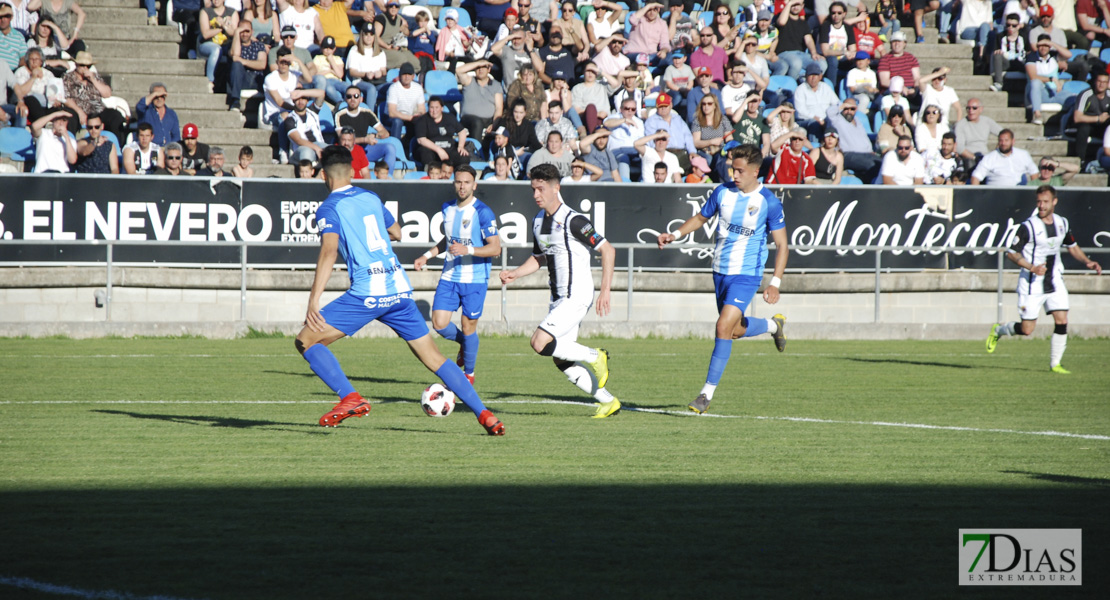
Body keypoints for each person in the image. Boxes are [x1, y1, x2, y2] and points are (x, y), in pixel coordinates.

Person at [296, 146, 505, 435]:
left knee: (306, 340)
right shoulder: (370, 197)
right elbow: (396, 232)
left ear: (323, 175)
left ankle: (350, 397)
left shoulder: (328, 208)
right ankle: (484, 414)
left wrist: (313, 300)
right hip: (399, 288)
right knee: (434, 358)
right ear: (354, 172)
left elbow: (329, 251)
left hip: (368, 292)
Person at [656, 144, 787, 415]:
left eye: (740, 171)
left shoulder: (769, 203)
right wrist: (675, 235)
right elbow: (700, 218)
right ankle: (773, 327)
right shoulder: (722, 192)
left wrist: (775, 282)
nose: (735, 174)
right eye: (732, 169)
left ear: (755, 171)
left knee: (722, 326)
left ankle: (705, 394)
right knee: (733, 331)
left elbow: (782, 245)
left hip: (747, 274)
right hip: (719, 271)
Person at [499, 163, 620, 419]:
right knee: (560, 357)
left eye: (540, 189)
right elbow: (539, 258)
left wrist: (605, 290)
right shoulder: (537, 221)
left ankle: (596, 356)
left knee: (539, 342)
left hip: (577, 294)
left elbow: (608, 250)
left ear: (556, 188)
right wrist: (515, 273)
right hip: (558, 299)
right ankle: (607, 401)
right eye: (533, 189)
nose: (535, 195)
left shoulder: (573, 220)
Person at [985, 186, 1102, 374]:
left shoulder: (1062, 223)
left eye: (1045, 202)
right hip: (1032, 284)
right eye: (1039, 202)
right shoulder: (1028, 226)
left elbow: (1072, 246)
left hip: (1055, 280)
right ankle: (999, 330)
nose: (1041, 205)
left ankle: (1055, 363)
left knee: (1062, 319)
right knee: (1027, 329)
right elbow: (1011, 253)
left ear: (1054, 202)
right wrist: (1032, 267)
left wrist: (1088, 262)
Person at [412, 164, 501, 384]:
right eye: (458, 182)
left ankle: (468, 374)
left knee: (468, 324)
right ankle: (465, 344)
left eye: (467, 182)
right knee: (439, 323)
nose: (462, 186)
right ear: (454, 183)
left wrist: (468, 250)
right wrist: (427, 255)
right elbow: (448, 240)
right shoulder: (447, 208)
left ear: (474, 185)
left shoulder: (483, 212)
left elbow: (495, 248)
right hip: (450, 275)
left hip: (475, 278)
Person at [335, 85, 396, 176]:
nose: (353, 99)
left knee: (390, 148)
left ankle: (388, 179)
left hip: (366, 149)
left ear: (361, 99)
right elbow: (341, 139)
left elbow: (385, 133)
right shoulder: (340, 115)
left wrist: (375, 136)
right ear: (345, 99)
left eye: (356, 96)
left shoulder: (367, 113)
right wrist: (364, 139)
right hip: (348, 149)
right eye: (349, 96)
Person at [825, 97, 882, 181]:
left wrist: (870, 150)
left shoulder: (857, 120)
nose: (849, 111)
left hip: (866, 154)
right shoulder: (838, 120)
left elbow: (864, 139)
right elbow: (829, 112)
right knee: (871, 165)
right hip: (847, 155)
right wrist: (842, 105)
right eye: (846, 109)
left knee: (883, 163)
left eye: (852, 109)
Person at [771, 0, 824, 81]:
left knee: (822, 63)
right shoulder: (781, 17)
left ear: (802, 6)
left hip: (800, 54)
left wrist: (814, 53)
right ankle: (790, 86)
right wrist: (789, 4)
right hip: (784, 53)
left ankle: (806, 82)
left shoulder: (803, 23)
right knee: (796, 63)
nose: (795, 7)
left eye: (798, 5)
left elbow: (809, 39)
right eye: (793, 5)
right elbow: (781, 22)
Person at [457, 59, 504, 147]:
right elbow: (458, 70)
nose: (480, 69)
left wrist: (494, 124)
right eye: (478, 67)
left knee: (504, 124)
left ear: (488, 70)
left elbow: (499, 108)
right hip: (469, 119)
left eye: (483, 67)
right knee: (477, 123)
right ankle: (476, 151)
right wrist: (478, 63)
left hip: (488, 120)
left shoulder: (496, 85)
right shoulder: (469, 81)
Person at [415, 96, 471, 168]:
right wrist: (439, 150)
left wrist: (461, 146)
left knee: (463, 157)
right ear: (428, 108)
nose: (434, 111)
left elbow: (462, 132)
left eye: (437, 107)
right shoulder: (422, 120)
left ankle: (458, 176)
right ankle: (430, 176)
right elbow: (421, 140)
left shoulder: (450, 117)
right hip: (431, 150)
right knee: (425, 154)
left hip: (449, 148)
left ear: (442, 108)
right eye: (432, 107)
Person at [227, 22, 271, 111]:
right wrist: (236, 33)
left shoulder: (259, 45)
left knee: (239, 63)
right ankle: (235, 101)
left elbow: (262, 64)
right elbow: (235, 55)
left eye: (247, 31)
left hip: (255, 79)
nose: (244, 34)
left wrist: (243, 61)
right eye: (241, 31)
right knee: (236, 65)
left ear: (252, 32)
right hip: (240, 80)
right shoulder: (233, 45)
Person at [970, 129, 1037, 185]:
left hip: (1019, 195)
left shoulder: (1023, 154)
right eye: (1001, 140)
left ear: (1013, 141)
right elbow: (976, 177)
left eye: (1006, 140)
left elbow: (1034, 172)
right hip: (996, 196)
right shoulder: (990, 157)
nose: (1003, 143)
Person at [604, 97, 646, 181]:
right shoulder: (614, 117)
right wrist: (624, 120)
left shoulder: (639, 122)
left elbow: (641, 140)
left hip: (635, 152)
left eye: (633, 109)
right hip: (617, 151)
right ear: (621, 109)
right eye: (627, 108)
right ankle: (625, 184)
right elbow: (606, 123)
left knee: (648, 160)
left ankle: (643, 184)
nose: (630, 111)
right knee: (624, 159)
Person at [794, 62, 839, 141]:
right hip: (807, 120)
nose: (813, 78)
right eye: (811, 75)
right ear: (806, 76)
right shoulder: (800, 89)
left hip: (826, 119)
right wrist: (817, 118)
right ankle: (815, 148)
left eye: (816, 75)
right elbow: (801, 111)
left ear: (820, 76)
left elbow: (836, 103)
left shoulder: (825, 87)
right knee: (814, 124)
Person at [1072, 71, 1109, 166]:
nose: (1101, 84)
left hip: (1103, 127)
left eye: (1104, 82)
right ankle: (1080, 161)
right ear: (1095, 82)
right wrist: (1097, 119)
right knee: (1084, 128)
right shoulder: (1086, 94)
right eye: (1099, 81)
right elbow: (1077, 117)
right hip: (1087, 124)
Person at [198, 0, 238, 87]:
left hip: (226, 44)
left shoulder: (232, 12)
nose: (216, 1)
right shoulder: (205, 12)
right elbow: (205, 34)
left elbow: (234, 33)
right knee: (216, 49)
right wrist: (222, 28)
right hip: (208, 44)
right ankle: (210, 81)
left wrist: (223, 25)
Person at [346, 23, 386, 108]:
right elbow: (352, 72)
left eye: (371, 35)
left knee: (392, 87)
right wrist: (365, 74)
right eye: (366, 34)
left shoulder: (380, 52)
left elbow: (384, 70)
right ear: (362, 35)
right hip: (360, 81)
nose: (369, 37)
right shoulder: (354, 50)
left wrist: (381, 73)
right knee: (371, 89)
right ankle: (370, 116)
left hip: (377, 81)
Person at [1025, 34, 1062, 126]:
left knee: (1073, 98)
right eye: (1041, 45)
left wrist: (1052, 43)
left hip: (1054, 93)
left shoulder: (1053, 57)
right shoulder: (1032, 57)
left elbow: (1068, 55)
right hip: (1039, 92)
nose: (1043, 48)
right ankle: (1037, 115)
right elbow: (1033, 77)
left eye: (1046, 45)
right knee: (1036, 82)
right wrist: (1051, 79)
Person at [373, 0, 420, 73]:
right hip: (382, 49)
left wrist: (404, 28)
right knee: (402, 59)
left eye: (396, 6)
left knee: (416, 63)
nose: (393, 8)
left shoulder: (399, 19)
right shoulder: (381, 19)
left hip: (395, 47)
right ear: (387, 7)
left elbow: (407, 33)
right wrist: (386, 46)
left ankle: (409, 77)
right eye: (391, 6)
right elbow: (375, 37)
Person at [817, 2, 856, 85]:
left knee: (858, 61)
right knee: (833, 60)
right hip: (828, 58)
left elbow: (853, 48)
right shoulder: (825, 26)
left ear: (844, 14)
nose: (836, 15)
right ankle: (832, 88)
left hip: (844, 58)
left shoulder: (848, 27)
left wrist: (851, 55)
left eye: (839, 13)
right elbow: (825, 51)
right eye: (833, 13)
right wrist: (844, 52)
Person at [384, 62, 425, 141]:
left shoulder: (418, 88)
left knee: (422, 121)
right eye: (404, 74)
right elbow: (392, 113)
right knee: (397, 121)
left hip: (410, 116)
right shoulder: (393, 88)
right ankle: (395, 146)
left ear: (413, 76)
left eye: (409, 74)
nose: (407, 77)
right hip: (393, 118)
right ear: (399, 76)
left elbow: (422, 109)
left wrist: (418, 114)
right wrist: (411, 118)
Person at [283, 88, 325, 164]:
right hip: (302, 149)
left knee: (333, 151)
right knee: (307, 154)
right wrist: (316, 148)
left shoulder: (313, 112)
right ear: (293, 101)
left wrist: (301, 93)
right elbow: (298, 140)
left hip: (319, 144)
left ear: (307, 100)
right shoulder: (290, 119)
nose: (300, 101)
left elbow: (321, 94)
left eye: (303, 98)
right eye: (297, 99)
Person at [953, 98, 1001, 165]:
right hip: (969, 157)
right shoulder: (960, 125)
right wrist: (974, 157)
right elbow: (959, 147)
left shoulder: (987, 121)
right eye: (968, 108)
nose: (971, 110)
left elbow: (1004, 133)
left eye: (974, 108)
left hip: (985, 155)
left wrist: (997, 150)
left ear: (981, 109)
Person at [991, 13, 1029, 93]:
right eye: (1008, 25)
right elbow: (996, 51)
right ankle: (998, 84)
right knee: (997, 55)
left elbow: (1029, 51)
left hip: (1021, 63)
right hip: (1006, 63)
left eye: (1013, 25)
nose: (1010, 28)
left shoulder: (1024, 37)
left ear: (1018, 26)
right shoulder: (1000, 36)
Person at [877, 31, 920, 101]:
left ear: (904, 44)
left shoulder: (911, 58)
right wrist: (901, 88)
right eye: (894, 41)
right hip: (892, 89)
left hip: (910, 89)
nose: (897, 44)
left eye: (899, 41)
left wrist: (915, 89)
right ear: (890, 44)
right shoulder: (885, 59)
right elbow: (884, 81)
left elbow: (917, 78)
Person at [135, 82, 181, 147]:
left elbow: (176, 137)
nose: (159, 99)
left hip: (166, 150)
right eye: (156, 96)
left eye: (162, 96)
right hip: (148, 149)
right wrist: (155, 94)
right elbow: (140, 106)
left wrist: (169, 149)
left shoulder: (171, 114)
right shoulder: (145, 111)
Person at [313, 35, 347, 106]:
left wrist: (332, 61)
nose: (328, 50)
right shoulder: (318, 58)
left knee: (348, 87)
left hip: (337, 81)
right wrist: (330, 71)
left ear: (334, 49)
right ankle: (342, 104)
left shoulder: (337, 59)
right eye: (325, 47)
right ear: (321, 48)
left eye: (330, 48)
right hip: (326, 81)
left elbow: (340, 74)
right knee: (329, 89)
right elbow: (316, 74)